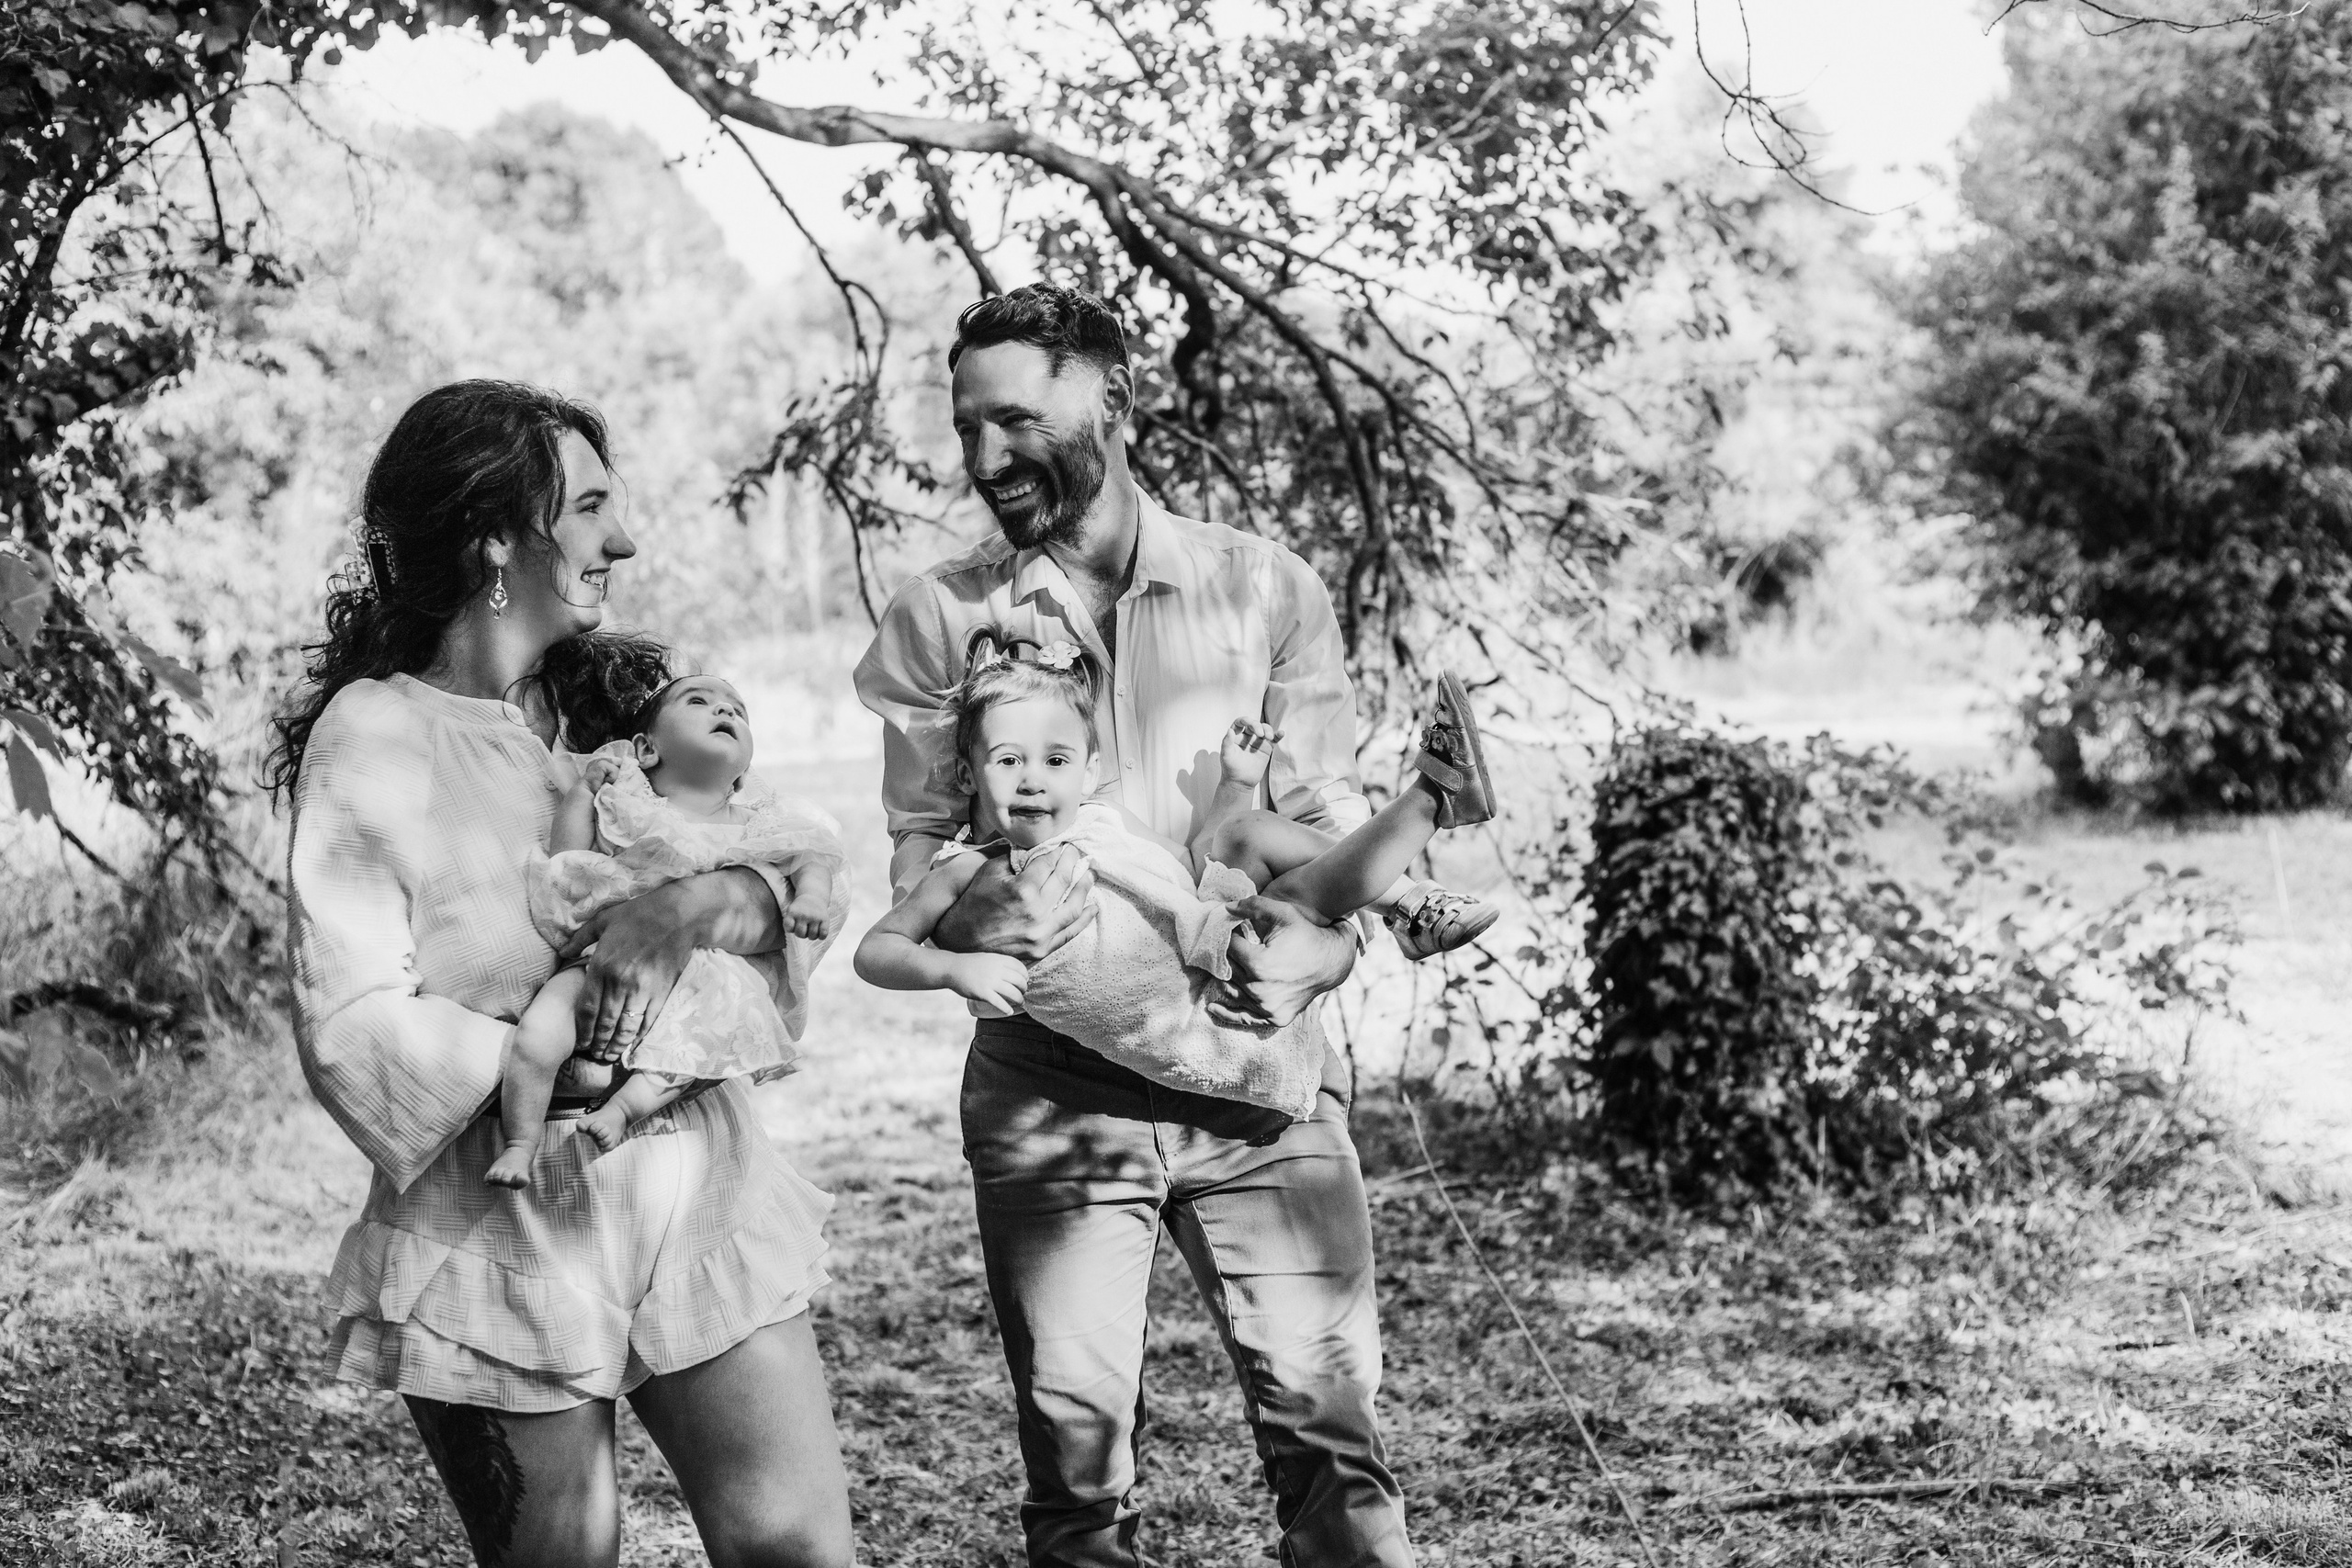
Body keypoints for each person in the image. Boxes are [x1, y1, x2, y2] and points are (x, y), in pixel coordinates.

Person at [854, 285, 1438, 1567]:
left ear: (1111, 401)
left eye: (1016, 419)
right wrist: (974, 906)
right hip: (1053, 1093)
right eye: (968, 428)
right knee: (1076, 1482)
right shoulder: (940, 615)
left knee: (1337, 1458)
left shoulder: (1261, 586)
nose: (987, 458)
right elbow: (916, 831)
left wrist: (1368, 916)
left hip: (1259, 1086)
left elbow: (1318, 804)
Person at [274, 380, 853, 1568]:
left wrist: (691, 904)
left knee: (800, 1553)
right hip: (507, 1224)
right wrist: (573, 1058)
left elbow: (792, 885)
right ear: (496, 532)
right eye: (590, 506)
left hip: (701, 1194)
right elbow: (353, 1022)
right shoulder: (377, 737)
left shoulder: (631, 703)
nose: (624, 538)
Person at [854, 627, 1497, 1122]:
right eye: (1007, 760)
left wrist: (1237, 784)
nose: (1032, 778)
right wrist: (952, 968)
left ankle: (1416, 871)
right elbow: (876, 951)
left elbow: (1189, 872)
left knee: (1248, 835)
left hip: (1212, 945)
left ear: (1088, 768)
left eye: (1055, 759)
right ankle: (1432, 812)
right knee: (1296, 891)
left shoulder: (1106, 821)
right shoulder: (964, 870)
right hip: (1193, 1003)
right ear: (967, 775)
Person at [487, 672, 849, 1189]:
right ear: (646, 748)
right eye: (699, 701)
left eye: (737, 710)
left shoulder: (758, 822)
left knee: (696, 1050)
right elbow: (568, 860)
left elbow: (809, 858)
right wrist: (582, 797)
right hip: (605, 958)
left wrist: (810, 896)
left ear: (744, 767)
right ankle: (519, 1143)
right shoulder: (628, 805)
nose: (724, 711)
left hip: (706, 973)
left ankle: (623, 1110)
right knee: (540, 1033)